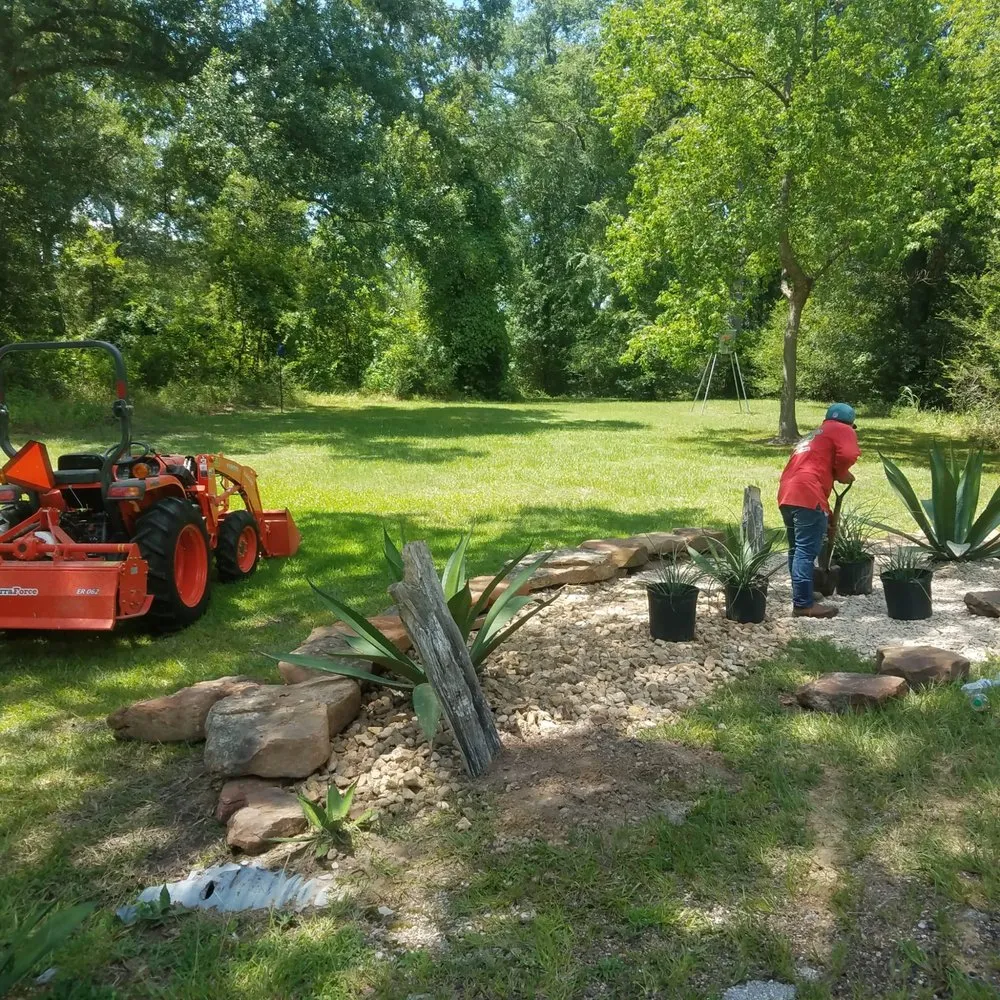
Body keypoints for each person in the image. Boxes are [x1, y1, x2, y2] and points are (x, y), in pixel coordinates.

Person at [777, 403, 860, 618]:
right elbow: (849, 454)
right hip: (807, 492)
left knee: (796, 549)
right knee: (805, 552)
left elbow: (812, 473)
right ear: (850, 423)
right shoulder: (842, 429)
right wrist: (842, 472)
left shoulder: (815, 435)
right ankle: (803, 605)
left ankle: (801, 594)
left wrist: (828, 517)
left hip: (788, 492)